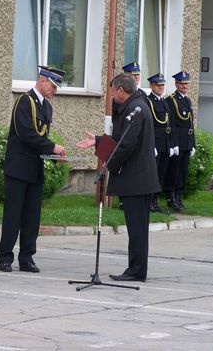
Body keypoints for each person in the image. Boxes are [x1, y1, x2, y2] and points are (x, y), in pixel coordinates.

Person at [77, 73, 160, 282]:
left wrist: (107, 165)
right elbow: (120, 139)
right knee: (136, 229)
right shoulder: (133, 106)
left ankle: (136, 271)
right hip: (136, 179)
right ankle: (136, 268)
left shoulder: (136, 109)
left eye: (113, 91)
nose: (112, 96)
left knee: (137, 230)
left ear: (121, 90)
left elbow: (126, 145)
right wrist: (97, 141)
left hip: (138, 180)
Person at [0, 65, 66, 273]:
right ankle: (6, 258)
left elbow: (41, 138)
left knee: (32, 217)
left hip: (34, 168)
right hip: (18, 167)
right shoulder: (24, 102)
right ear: (42, 81)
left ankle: (26, 258)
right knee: (13, 215)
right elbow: (26, 133)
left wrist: (54, 156)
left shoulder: (47, 107)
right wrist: (52, 147)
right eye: (53, 86)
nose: (55, 90)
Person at [164, 71, 196, 211]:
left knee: (183, 171)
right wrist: (173, 143)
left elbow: (190, 123)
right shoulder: (172, 100)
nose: (185, 86)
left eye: (186, 83)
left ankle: (179, 195)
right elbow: (171, 124)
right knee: (174, 170)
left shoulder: (187, 100)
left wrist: (193, 144)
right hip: (178, 141)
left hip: (187, 141)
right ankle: (171, 197)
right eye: (182, 83)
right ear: (176, 84)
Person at [146, 73, 176, 213]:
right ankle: (150, 201)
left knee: (161, 174)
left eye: (162, 85)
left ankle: (156, 200)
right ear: (151, 85)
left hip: (165, 143)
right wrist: (151, 146)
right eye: (158, 85)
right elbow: (149, 126)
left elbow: (168, 124)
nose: (160, 87)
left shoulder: (164, 102)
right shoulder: (148, 102)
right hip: (155, 143)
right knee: (153, 174)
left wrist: (170, 144)